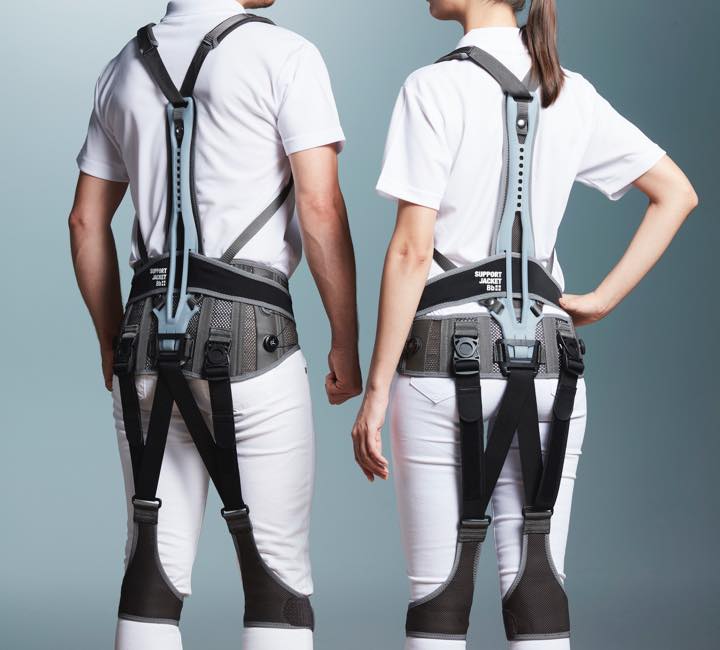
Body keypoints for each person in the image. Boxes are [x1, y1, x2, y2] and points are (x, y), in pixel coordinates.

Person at [351, 1, 697, 649]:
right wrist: (601, 300)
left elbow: (411, 252)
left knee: (439, 598)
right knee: (539, 591)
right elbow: (677, 192)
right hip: (551, 361)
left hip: (442, 361)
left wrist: (374, 394)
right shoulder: (570, 92)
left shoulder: (433, 87)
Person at [68, 1, 361, 649]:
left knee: (150, 572)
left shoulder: (122, 68)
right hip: (253, 336)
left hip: (143, 341)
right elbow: (319, 205)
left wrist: (110, 340)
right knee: (276, 584)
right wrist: (346, 340)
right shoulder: (286, 56)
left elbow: (86, 221)